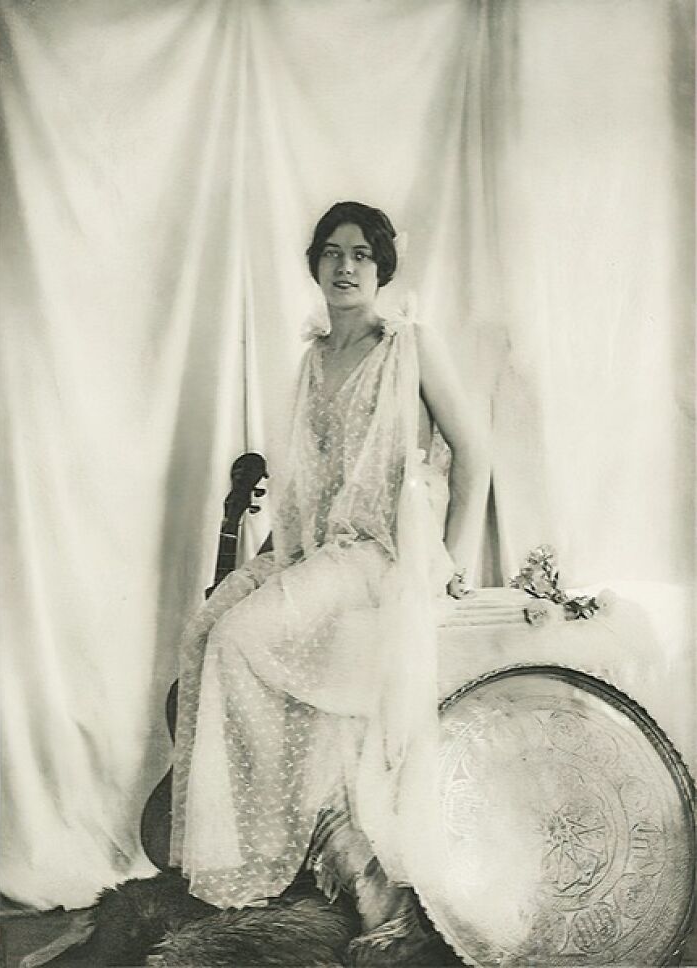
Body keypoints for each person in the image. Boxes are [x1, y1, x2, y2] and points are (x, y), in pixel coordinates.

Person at [169, 201, 489, 952]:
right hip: (314, 546)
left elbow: (475, 453)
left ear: (383, 270)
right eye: (332, 253)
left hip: (375, 555)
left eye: (363, 256)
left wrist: (452, 568)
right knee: (207, 624)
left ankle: (297, 831)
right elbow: (305, 484)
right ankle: (284, 829)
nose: (346, 267)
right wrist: (264, 562)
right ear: (314, 265)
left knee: (243, 640)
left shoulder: (409, 346)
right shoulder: (314, 357)